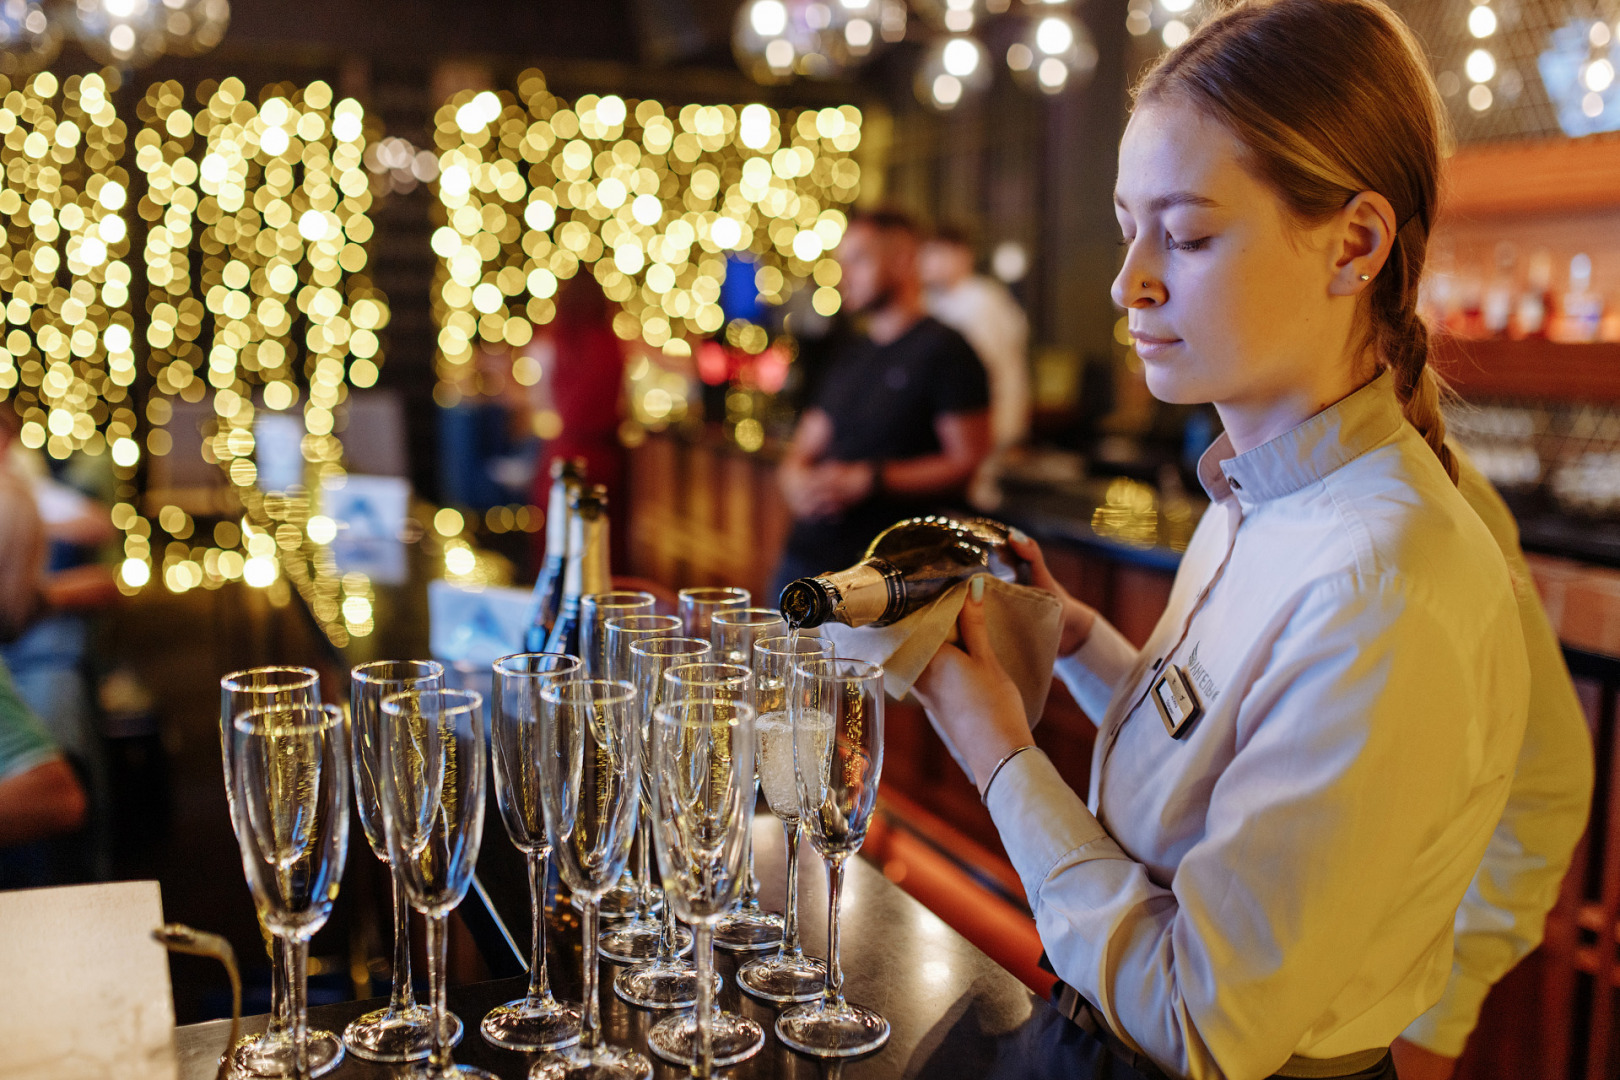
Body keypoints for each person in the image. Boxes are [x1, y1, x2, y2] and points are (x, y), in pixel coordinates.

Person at [913, 2, 1533, 1077]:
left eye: (1188, 236)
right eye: (1128, 228)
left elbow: (1200, 1022)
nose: (1129, 283)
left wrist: (996, 753)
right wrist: (1084, 645)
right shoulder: (1260, 492)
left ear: (1355, 245)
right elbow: (1213, 770)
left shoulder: (1385, 585)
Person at [1389, 449, 1593, 1080]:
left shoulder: (1431, 489)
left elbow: (1545, 783)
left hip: (1362, 1028)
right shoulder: (1240, 479)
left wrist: (1438, 1010)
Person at [774, 210, 992, 594]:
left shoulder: (946, 350)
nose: (845, 276)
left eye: (858, 259)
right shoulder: (851, 354)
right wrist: (794, 482)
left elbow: (966, 462)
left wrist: (872, 480)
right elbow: (803, 448)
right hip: (808, 560)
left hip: (889, 576)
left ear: (903, 259)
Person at [525, 273, 629, 569]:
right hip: (607, 460)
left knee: (559, 552)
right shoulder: (616, 346)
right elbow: (625, 402)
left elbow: (541, 406)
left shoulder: (548, 345)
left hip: (564, 461)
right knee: (602, 553)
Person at [920, 225, 1032, 454]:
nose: (924, 261)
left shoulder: (981, 300)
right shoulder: (934, 301)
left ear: (961, 255)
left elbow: (979, 367)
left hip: (989, 425)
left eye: (934, 252)